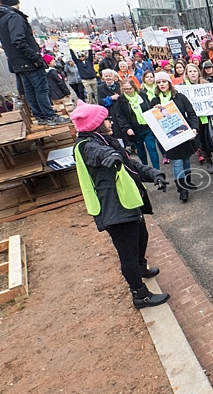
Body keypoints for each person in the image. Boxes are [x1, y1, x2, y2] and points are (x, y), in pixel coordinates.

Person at [69, 100, 169, 310]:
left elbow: (132, 165)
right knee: (127, 254)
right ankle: (140, 295)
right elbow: (97, 155)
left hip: (127, 201)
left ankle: (141, 269)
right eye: (106, 118)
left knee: (142, 237)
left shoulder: (105, 141)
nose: (111, 121)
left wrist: (154, 174)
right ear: (95, 124)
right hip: (113, 207)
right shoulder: (88, 145)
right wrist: (110, 156)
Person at [0, 0, 66, 125]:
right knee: (41, 89)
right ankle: (49, 116)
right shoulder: (13, 16)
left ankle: (41, 116)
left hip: (18, 62)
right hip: (28, 61)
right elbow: (19, 41)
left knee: (30, 90)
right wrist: (36, 58)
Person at [154, 71, 200, 203]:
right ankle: (182, 190)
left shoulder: (180, 97)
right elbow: (151, 120)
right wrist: (155, 111)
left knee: (185, 160)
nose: (162, 84)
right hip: (169, 139)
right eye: (159, 82)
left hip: (183, 135)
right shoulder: (154, 101)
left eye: (164, 81)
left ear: (169, 82)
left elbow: (191, 114)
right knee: (177, 162)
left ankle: (187, 180)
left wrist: (194, 129)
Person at [113, 78, 160, 171]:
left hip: (147, 127)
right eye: (125, 89)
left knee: (152, 149)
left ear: (134, 87)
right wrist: (127, 128)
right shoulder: (121, 100)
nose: (127, 91)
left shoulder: (142, 95)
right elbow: (120, 116)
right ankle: (145, 169)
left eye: (129, 88)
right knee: (141, 151)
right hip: (134, 130)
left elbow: (149, 107)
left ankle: (157, 171)